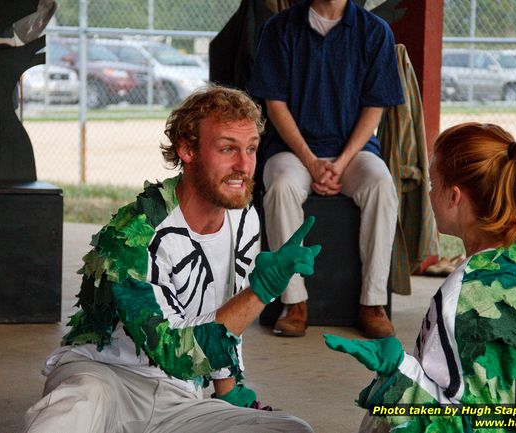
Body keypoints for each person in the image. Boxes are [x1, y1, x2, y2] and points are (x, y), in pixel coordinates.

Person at [21, 86, 320, 433]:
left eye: (251, 149)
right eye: (227, 149)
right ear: (187, 150)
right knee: (70, 411)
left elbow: (224, 315)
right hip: (107, 377)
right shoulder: (132, 234)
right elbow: (173, 349)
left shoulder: (245, 218)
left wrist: (228, 389)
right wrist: (260, 292)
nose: (244, 165)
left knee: (293, 429)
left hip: (180, 397)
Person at [324, 122, 516, 432]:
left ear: (454, 196)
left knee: (381, 416)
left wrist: (397, 369)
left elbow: (461, 422)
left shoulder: (465, 290)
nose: (430, 196)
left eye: (433, 185)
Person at [247, 0, 404, 338]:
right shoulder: (279, 29)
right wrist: (312, 161)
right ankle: (294, 301)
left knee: (380, 184)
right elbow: (274, 105)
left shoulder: (375, 32)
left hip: (353, 152)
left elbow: (373, 109)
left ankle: (372, 302)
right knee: (281, 185)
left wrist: (341, 162)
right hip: (293, 151)